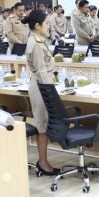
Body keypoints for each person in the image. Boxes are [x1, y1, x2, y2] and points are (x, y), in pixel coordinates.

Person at [22, 10, 61, 175]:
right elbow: (42, 70)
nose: (48, 26)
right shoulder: (36, 44)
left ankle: (43, 161)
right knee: (42, 126)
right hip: (41, 87)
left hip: (42, 85)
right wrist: (49, 92)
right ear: (37, 25)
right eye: (46, 23)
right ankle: (43, 163)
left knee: (43, 124)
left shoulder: (38, 40)